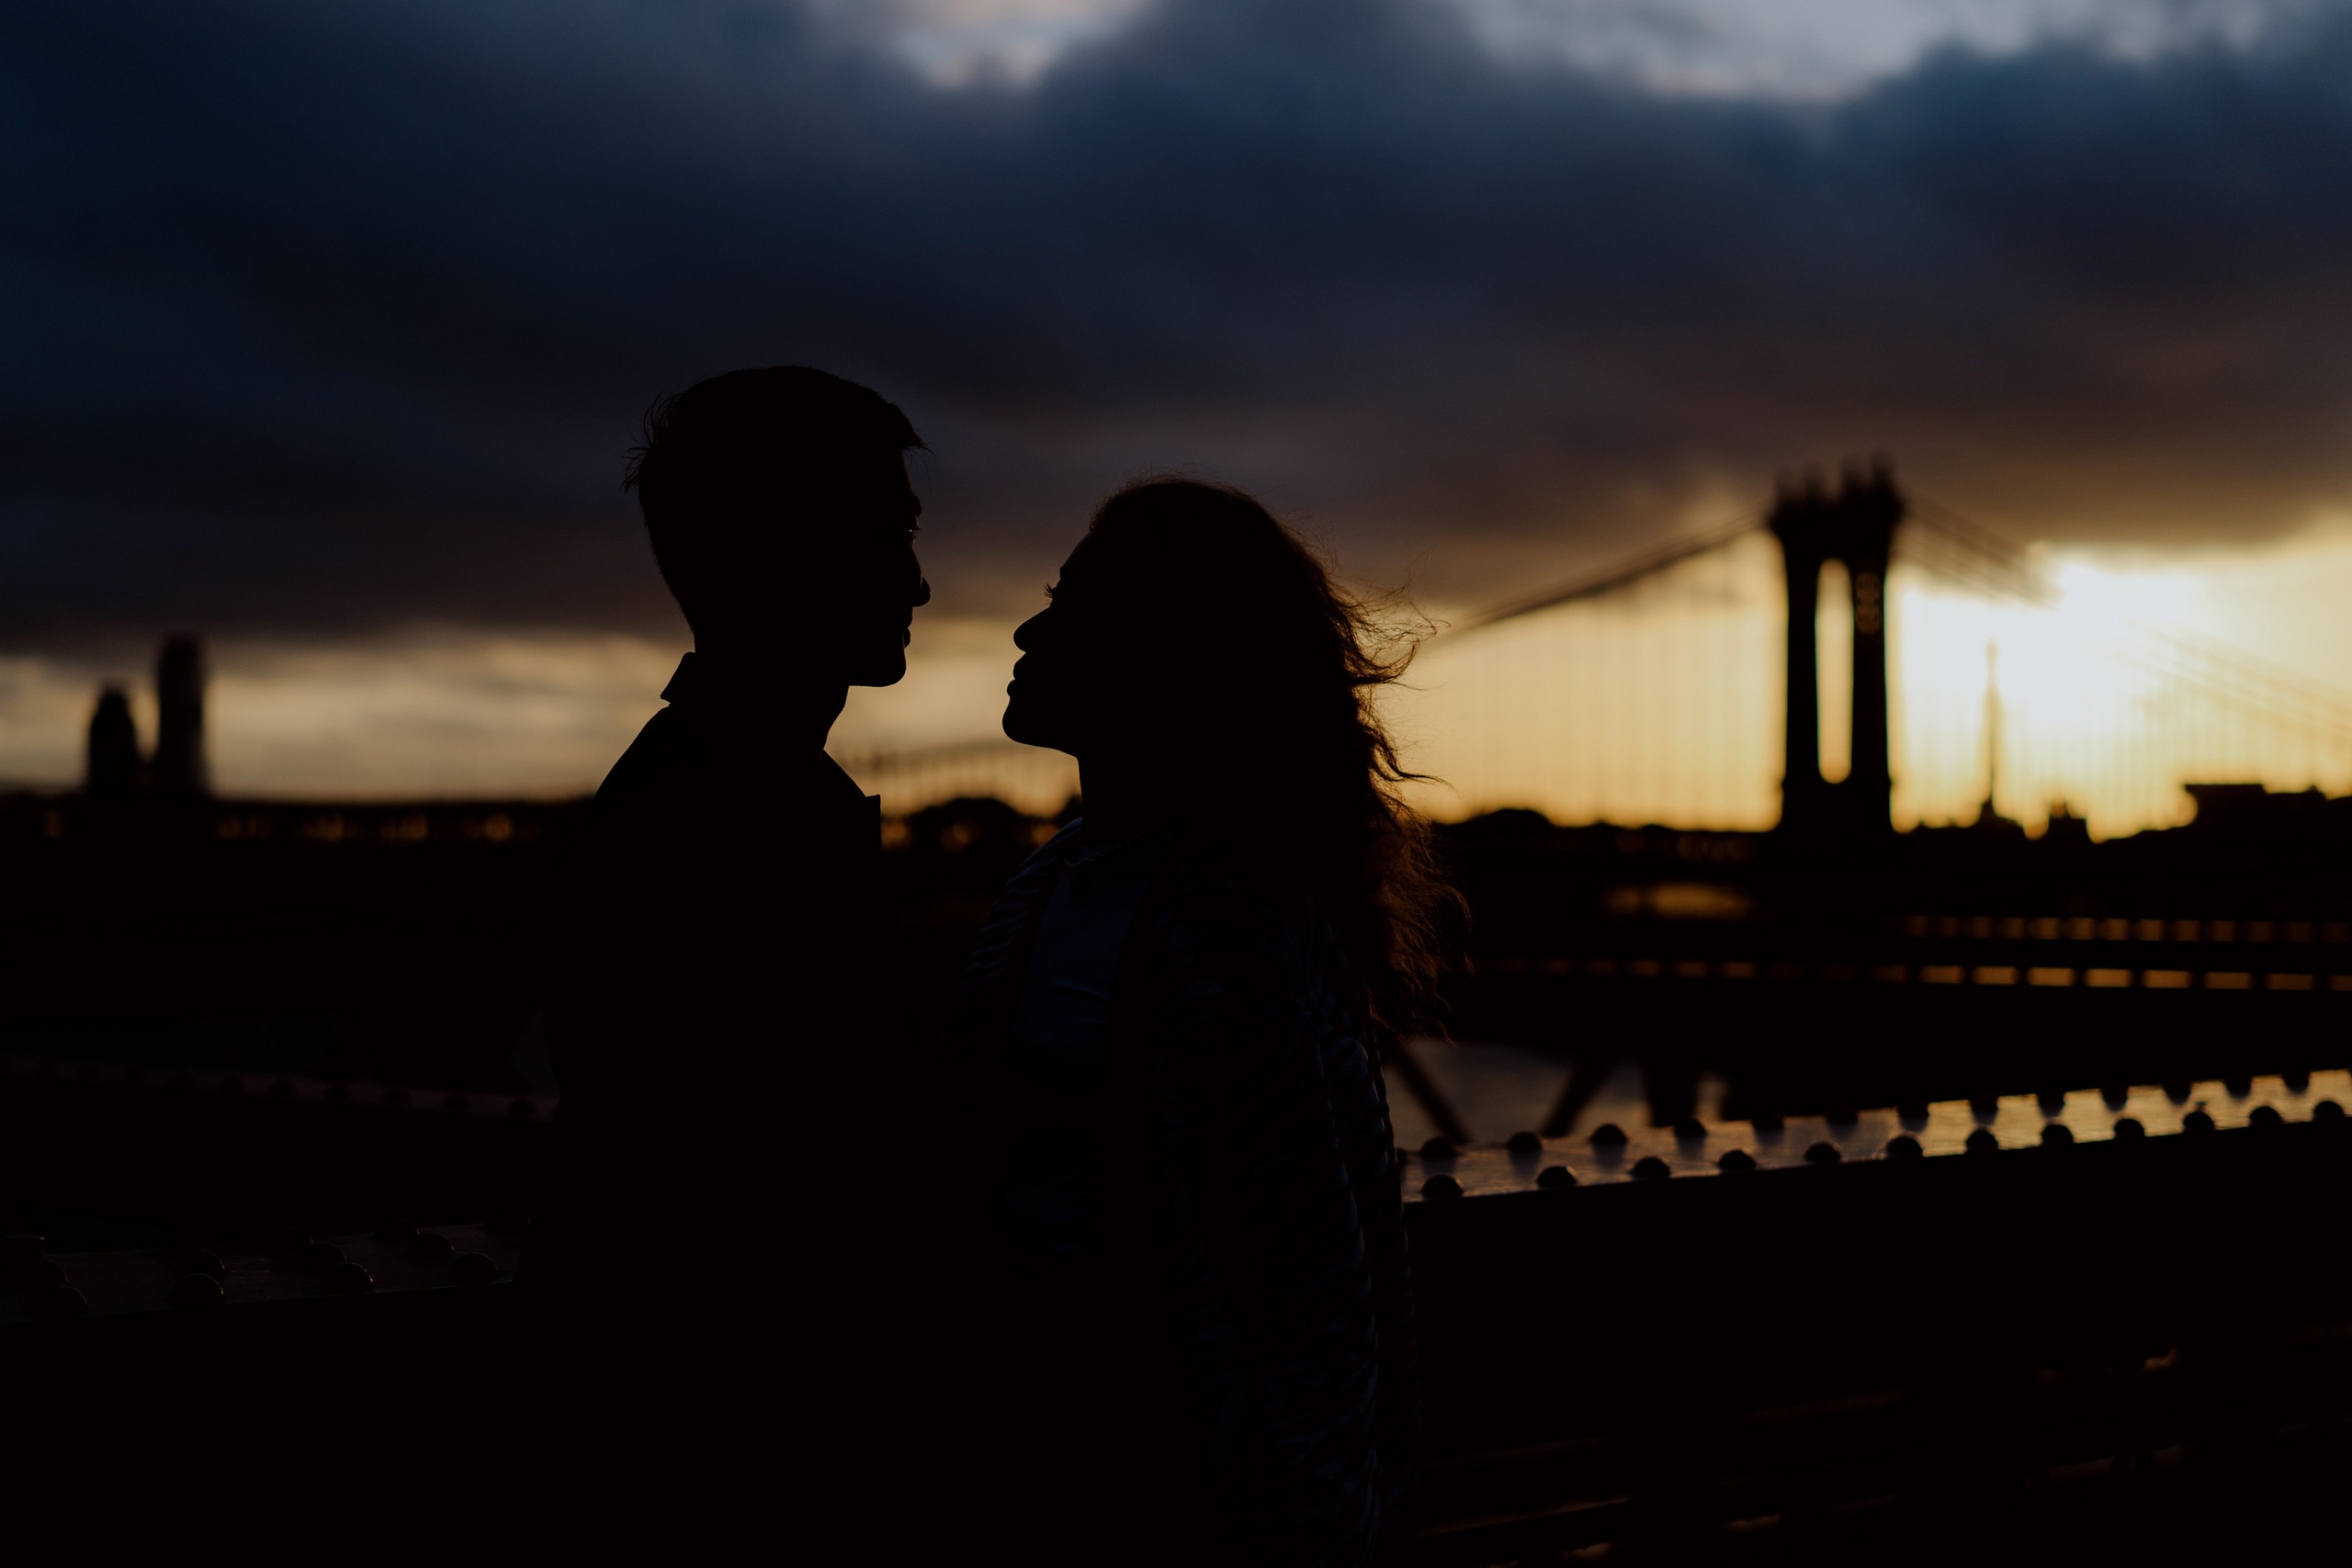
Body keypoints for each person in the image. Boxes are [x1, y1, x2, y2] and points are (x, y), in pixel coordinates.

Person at [945, 478, 1450, 1564]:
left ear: (1161, 653)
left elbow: (1300, 1265)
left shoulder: (1234, 914)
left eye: (1069, 607)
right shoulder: (1051, 883)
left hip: (1160, 1473)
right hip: (1028, 1440)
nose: (1030, 630)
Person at [531, 365, 927, 1333]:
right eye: (894, 534)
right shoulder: (747, 823)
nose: (918, 581)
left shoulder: (694, 793)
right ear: (791, 552)